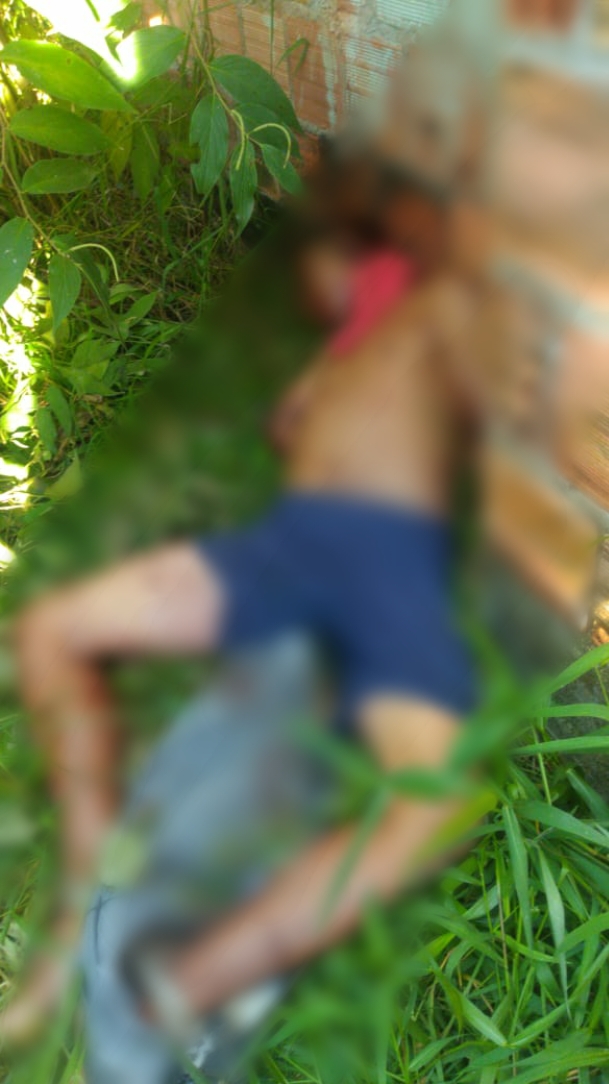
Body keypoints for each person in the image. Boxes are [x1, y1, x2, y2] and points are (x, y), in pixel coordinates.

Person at [3, 169, 484, 1047]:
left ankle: (188, 983)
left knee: (436, 800)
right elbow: (294, 416)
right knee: (51, 629)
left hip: (381, 552)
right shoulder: (371, 302)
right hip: (287, 548)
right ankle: (82, 913)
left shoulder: (462, 291)